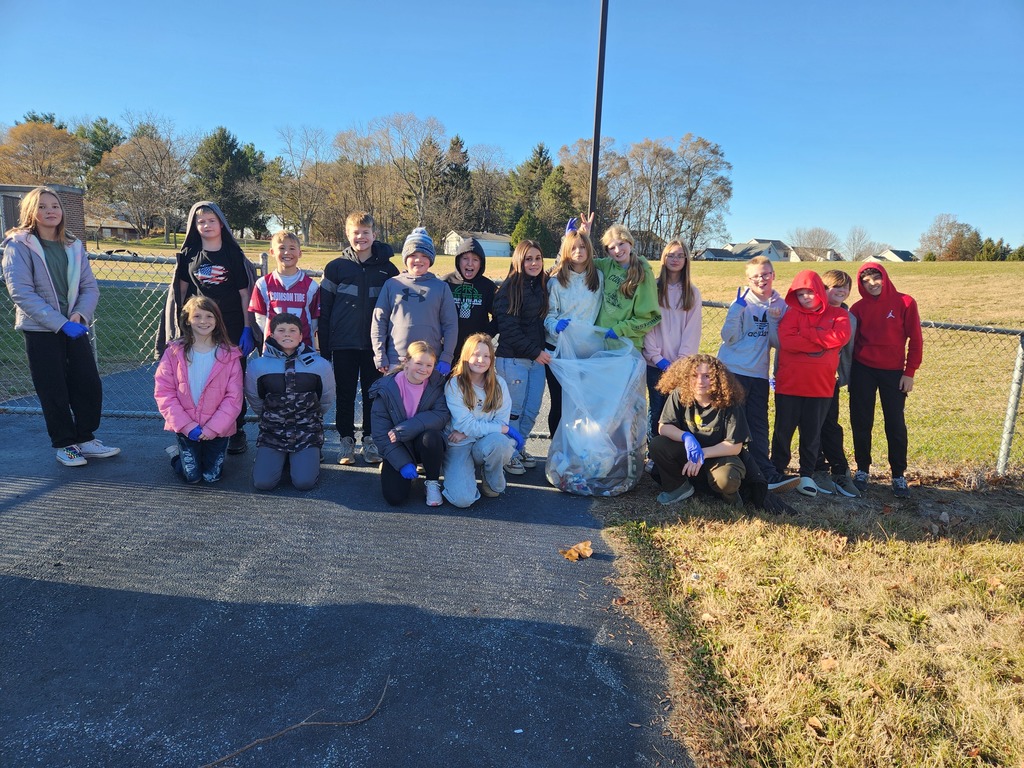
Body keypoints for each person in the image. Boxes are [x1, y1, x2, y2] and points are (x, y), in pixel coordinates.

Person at [2, 186, 121, 466]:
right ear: (31, 212)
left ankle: (85, 438)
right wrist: (59, 323)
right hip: (41, 330)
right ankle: (65, 444)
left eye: (54, 205)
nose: (49, 211)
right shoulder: (19, 244)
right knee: (53, 387)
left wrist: (79, 316)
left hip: (76, 326)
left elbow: (89, 287)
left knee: (87, 383)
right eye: (42, 206)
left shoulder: (73, 245)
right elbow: (20, 291)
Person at [174, 201, 255, 455]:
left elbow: (245, 294)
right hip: (200, 328)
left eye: (211, 220)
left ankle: (236, 429)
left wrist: (247, 328)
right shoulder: (189, 255)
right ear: (194, 226)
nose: (206, 225)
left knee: (232, 380)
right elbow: (182, 292)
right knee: (203, 379)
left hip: (230, 326)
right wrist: (182, 327)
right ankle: (201, 427)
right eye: (201, 222)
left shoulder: (233, 254)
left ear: (221, 223)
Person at [318, 212, 398, 466]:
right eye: (356, 232)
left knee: (373, 395)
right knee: (345, 394)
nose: (360, 237)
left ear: (374, 234)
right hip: (343, 344)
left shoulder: (388, 269)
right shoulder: (335, 268)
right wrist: (325, 349)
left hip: (376, 347)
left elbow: (397, 311)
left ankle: (370, 440)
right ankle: (346, 440)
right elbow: (325, 310)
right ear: (347, 234)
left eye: (365, 232)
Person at [717, 255, 796, 491]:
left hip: (758, 374)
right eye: (755, 276)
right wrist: (736, 311)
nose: (760, 280)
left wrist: (773, 321)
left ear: (773, 275)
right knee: (731, 422)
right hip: (733, 370)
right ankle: (729, 470)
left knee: (758, 424)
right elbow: (728, 338)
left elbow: (777, 343)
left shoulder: (781, 306)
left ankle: (766, 474)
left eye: (765, 274)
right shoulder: (742, 302)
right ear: (748, 279)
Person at [770, 270, 851, 497]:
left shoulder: (838, 315)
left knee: (812, 432)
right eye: (801, 293)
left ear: (819, 292)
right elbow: (787, 341)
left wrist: (805, 336)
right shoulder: (791, 313)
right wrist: (821, 341)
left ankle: (807, 474)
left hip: (820, 386)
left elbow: (840, 338)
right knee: (783, 430)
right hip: (790, 384)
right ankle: (777, 469)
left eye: (810, 292)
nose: (806, 297)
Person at [849, 263, 923, 499]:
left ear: (885, 277)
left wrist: (909, 372)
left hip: (893, 373)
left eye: (876, 278)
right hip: (862, 370)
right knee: (861, 420)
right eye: (866, 281)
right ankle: (862, 469)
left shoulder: (905, 302)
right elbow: (850, 344)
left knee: (895, 423)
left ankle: (898, 474)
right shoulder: (857, 308)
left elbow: (916, 339)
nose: (872, 284)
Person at [154, 296, 242, 483]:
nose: (204, 321)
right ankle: (176, 455)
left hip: (217, 429)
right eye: (197, 316)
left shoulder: (229, 354)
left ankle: (206, 453)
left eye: (209, 316)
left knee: (211, 476)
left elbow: (233, 398)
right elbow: (164, 392)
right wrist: (187, 426)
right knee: (192, 477)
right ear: (187, 320)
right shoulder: (174, 352)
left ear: (217, 320)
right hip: (188, 427)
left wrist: (213, 428)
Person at [245, 313, 335, 491]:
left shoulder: (319, 364)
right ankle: (282, 456)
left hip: (306, 433)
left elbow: (326, 398)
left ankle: (307, 456)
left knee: (304, 483)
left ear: (301, 336)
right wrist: (270, 417)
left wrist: (310, 418)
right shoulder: (258, 366)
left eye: (293, 330)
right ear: (271, 335)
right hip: (273, 434)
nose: (287, 334)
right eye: (281, 330)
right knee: (263, 483)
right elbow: (255, 399)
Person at [650, 354, 748, 506]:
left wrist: (703, 453)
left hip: (718, 455)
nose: (700, 382)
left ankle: (730, 496)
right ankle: (678, 487)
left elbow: (734, 446)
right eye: (694, 376)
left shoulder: (729, 401)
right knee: (658, 444)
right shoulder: (679, 394)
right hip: (687, 453)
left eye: (707, 376)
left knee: (727, 479)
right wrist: (686, 436)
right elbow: (664, 427)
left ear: (717, 378)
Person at [442, 334, 524, 507]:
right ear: (466, 356)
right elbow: (467, 424)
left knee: (501, 443)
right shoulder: (455, 384)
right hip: (459, 444)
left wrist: (468, 431)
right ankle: (459, 471)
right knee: (462, 500)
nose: (481, 360)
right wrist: (498, 429)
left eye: (486, 356)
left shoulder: (499, 384)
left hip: (483, 442)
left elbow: (501, 421)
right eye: (476, 354)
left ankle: (489, 474)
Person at [369, 340, 450, 507]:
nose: (424, 369)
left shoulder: (436, 384)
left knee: (432, 437)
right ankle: (399, 462)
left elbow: (441, 415)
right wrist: (403, 463)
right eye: (418, 363)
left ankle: (432, 482)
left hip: (423, 443)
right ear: (406, 361)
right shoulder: (386, 388)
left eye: (429, 365)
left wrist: (407, 428)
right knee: (395, 497)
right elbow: (380, 433)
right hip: (397, 445)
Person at [371, 227, 458, 377]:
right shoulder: (392, 285)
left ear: (431, 259)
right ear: (405, 258)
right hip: (396, 361)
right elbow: (379, 320)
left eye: (424, 255)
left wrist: (446, 357)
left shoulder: (441, 287)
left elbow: (451, 324)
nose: (418, 260)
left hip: (430, 363)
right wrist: (380, 354)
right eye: (413, 255)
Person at [542, 224, 603, 437]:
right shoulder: (556, 282)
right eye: (573, 247)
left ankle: (579, 451)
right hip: (557, 351)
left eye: (583, 247)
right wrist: (555, 326)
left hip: (586, 353)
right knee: (559, 403)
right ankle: (557, 451)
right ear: (566, 250)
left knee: (582, 405)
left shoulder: (598, 279)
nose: (578, 251)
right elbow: (548, 316)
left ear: (589, 250)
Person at [494, 239, 549, 475]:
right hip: (513, 359)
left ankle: (518, 446)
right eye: (529, 258)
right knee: (513, 411)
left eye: (537, 258)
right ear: (519, 260)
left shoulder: (541, 284)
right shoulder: (509, 289)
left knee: (531, 410)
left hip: (536, 361)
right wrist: (536, 352)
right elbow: (509, 330)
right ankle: (508, 454)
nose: (534, 263)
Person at [643, 239, 702, 436]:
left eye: (679, 255)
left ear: (686, 259)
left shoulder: (692, 293)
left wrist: (680, 363)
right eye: (670, 255)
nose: (675, 259)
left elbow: (692, 331)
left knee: (677, 413)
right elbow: (647, 324)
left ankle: (674, 457)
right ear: (663, 258)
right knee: (657, 411)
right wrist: (657, 358)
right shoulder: (653, 288)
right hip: (655, 364)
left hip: (680, 366)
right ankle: (654, 455)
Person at [811, 269, 861, 497]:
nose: (841, 290)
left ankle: (840, 470)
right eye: (835, 286)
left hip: (829, 380)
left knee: (830, 423)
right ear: (823, 288)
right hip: (804, 377)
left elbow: (848, 353)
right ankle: (816, 468)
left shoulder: (849, 319)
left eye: (846, 287)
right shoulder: (810, 311)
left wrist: (844, 378)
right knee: (809, 423)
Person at [594, 223, 661, 349]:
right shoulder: (607, 265)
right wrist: (581, 235)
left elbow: (648, 317)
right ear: (608, 252)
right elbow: (581, 261)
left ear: (630, 242)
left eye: (621, 244)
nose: (618, 250)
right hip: (601, 340)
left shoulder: (644, 273)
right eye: (612, 248)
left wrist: (620, 329)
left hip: (626, 345)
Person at [248, 231, 319, 348]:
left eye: (292, 248)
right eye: (281, 248)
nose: (287, 252)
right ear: (272, 252)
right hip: (273, 348)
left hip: (304, 347)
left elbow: (314, 320)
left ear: (300, 253)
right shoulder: (263, 284)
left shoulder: (311, 286)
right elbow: (260, 318)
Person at [444, 236, 497, 359]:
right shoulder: (446, 283)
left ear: (481, 263)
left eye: (475, 260)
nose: (470, 263)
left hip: (476, 350)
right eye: (465, 258)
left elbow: (499, 317)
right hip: (448, 348)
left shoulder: (488, 287)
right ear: (458, 261)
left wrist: (485, 336)